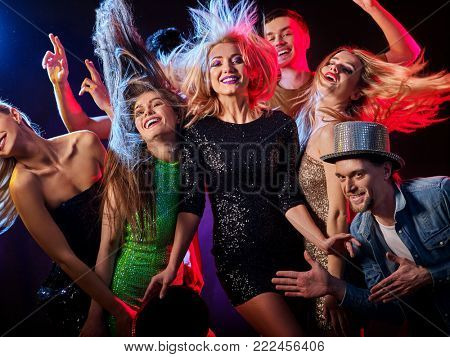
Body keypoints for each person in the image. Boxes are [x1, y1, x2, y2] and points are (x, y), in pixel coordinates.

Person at [146, 0, 358, 337]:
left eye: (236, 59)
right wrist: (173, 265)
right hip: (240, 261)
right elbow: (191, 205)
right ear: (208, 76)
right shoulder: (199, 132)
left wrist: (322, 241)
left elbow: (288, 197)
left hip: (291, 255)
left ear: (251, 68)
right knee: (294, 341)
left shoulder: (281, 125)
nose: (227, 67)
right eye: (217, 63)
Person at [79, 0, 204, 336]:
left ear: (175, 111)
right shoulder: (127, 169)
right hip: (124, 294)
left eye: (156, 103)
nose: (147, 112)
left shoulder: (194, 156)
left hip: (172, 294)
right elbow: (107, 248)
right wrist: (95, 316)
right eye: (138, 112)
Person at [273, 121, 450, 336]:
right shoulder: (360, 232)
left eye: (358, 174)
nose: (348, 187)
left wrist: (430, 275)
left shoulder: (439, 194)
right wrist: (334, 287)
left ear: (386, 170)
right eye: (341, 177)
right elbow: (393, 310)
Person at [0, 100, 133, 336]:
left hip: (125, 258)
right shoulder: (23, 185)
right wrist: (109, 311)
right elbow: (65, 258)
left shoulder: (85, 141)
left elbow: (126, 207)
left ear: (14, 114)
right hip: (83, 287)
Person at [263, 0, 421, 117]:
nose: (278, 42)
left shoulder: (337, 78)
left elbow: (407, 54)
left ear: (306, 38)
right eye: (271, 38)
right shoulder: (260, 98)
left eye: (286, 34)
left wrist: (373, 8)